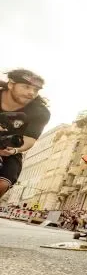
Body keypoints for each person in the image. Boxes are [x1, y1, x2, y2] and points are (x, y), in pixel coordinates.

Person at [0, 69, 51, 200]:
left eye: (36, 90)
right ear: (11, 84)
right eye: (26, 87)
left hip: (9, 147)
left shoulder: (40, 112)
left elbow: (29, 139)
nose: (31, 93)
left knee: (2, 184)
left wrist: (14, 150)